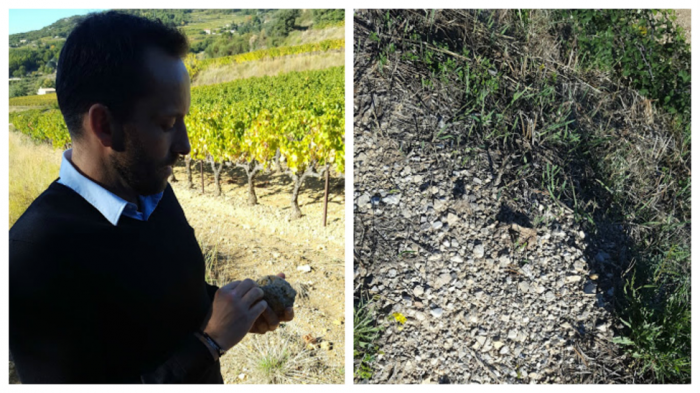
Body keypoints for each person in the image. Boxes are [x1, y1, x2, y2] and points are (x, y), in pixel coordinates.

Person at [9, 11, 293, 384]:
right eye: (168, 124)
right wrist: (210, 342)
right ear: (104, 125)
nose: (186, 146)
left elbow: (163, 297)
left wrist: (235, 309)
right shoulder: (32, 260)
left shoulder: (151, 193)